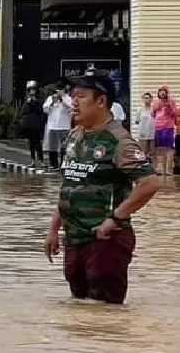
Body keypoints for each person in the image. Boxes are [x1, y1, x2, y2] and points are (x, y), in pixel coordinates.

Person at [45, 71, 160, 305]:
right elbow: (69, 186)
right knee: (81, 310)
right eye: (73, 96)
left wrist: (115, 218)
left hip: (105, 240)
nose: (74, 102)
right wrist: (53, 229)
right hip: (74, 239)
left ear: (101, 101)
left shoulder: (118, 141)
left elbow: (149, 183)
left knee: (106, 311)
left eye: (81, 96)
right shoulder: (74, 137)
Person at [43, 88, 73, 169]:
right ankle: (53, 164)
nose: (58, 93)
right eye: (57, 92)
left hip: (64, 126)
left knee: (64, 147)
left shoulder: (68, 98)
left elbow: (71, 107)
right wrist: (52, 102)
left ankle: (64, 164)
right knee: (52, 147)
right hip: (52, 126)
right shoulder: (50, 98)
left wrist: (62, 99)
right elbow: (45, 109)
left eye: (60, 91)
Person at [151, 85, 178, 176]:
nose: (162, 93)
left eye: (164, 91)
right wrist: (155, 109)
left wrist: (169, 107)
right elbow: (153, 114)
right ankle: (161, 169)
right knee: (160, 149)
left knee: (169, 149)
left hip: (168, 127)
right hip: (158, 127)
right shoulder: (156, 102)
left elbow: (175, 113)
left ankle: (169, 169)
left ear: (166, 93)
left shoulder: (171, 102)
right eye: (160, 91)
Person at [21, 83, 47, 168]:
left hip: (37, 124)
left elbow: (41, 110)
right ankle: (33, 160)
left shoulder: (40, 100)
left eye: (34, 90)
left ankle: (41, 161)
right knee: (31, 143)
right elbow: (24, 111)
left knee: (37, 143)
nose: (32, 92)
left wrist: (35, 101)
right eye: (30, 90)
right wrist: (28, 103)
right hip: (29, 124)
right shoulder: (27, 100)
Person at [133, 92, 156, 158]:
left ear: (151, 99)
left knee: (152, 153)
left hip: (152, 134)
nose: (146, 100)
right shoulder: (140, 110)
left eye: (148, 98)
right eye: (145, 98)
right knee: (142, 153)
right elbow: (137, 121)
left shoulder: (154, 109)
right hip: (143, 134)